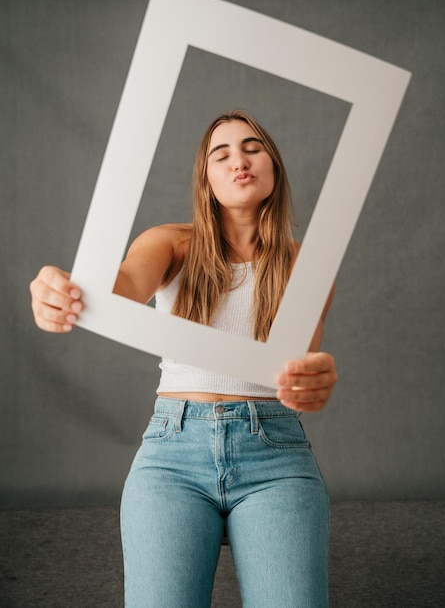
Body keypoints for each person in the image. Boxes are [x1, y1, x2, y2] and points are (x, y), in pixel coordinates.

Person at [30, 110, 337, 607]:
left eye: (253, 147)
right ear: (207, 181)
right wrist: (68, 290)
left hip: (275, 453)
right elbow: (122, 288)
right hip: (174, 454)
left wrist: (316, 376)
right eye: (222, 154)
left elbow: (300, 363)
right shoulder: (171, 242)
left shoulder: (305, 263)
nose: (239, 159)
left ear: (274, 166)